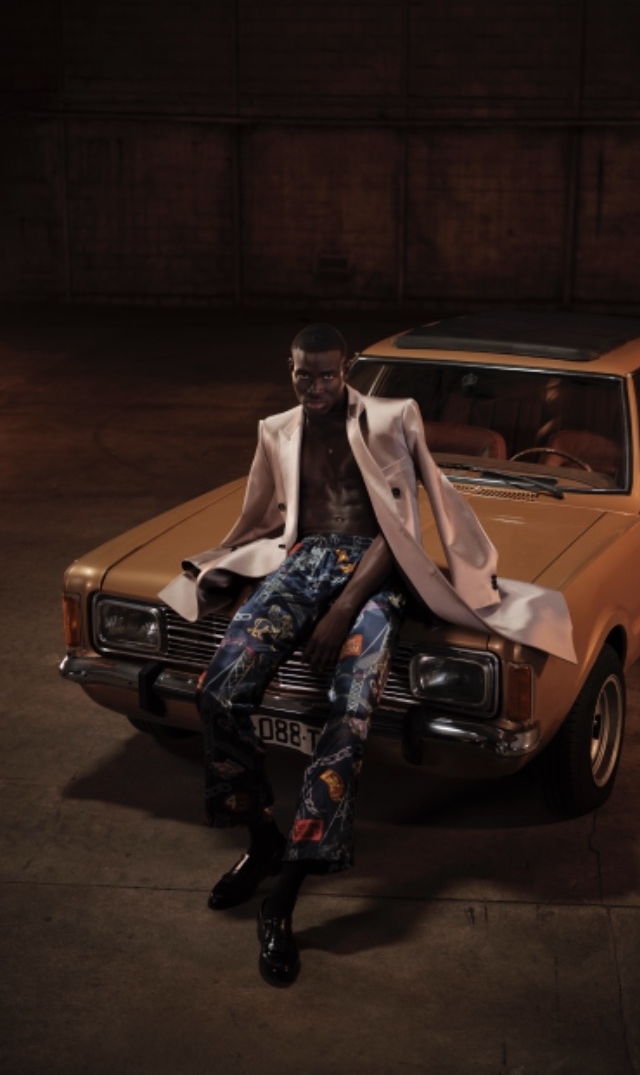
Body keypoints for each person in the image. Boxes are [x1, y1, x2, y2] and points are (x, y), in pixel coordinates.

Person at [159, 323, 575, 989]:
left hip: (377, 573)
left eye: (327, 374)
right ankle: (262, 839)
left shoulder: (391, 418)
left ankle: (283, 896)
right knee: (220, 688)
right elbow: (267, 515)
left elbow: (398, 527)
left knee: (348, 718)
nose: (315, 386)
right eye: (303, 374)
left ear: (346, 368)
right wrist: (240, 570)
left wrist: (343, 609)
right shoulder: (276, 429)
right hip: (305, 561)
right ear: (289, 367)